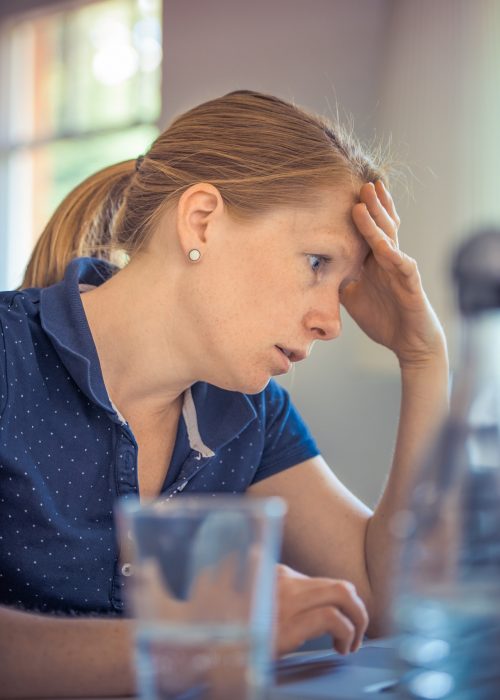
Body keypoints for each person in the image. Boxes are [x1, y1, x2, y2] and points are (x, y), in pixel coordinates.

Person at [0, 89, 448, 698]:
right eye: (318, 262)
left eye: (342, 287)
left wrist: (423, 360)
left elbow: (387, 600)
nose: (331, 322)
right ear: (201, 220)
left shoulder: (248, 412)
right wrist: (205, 641)